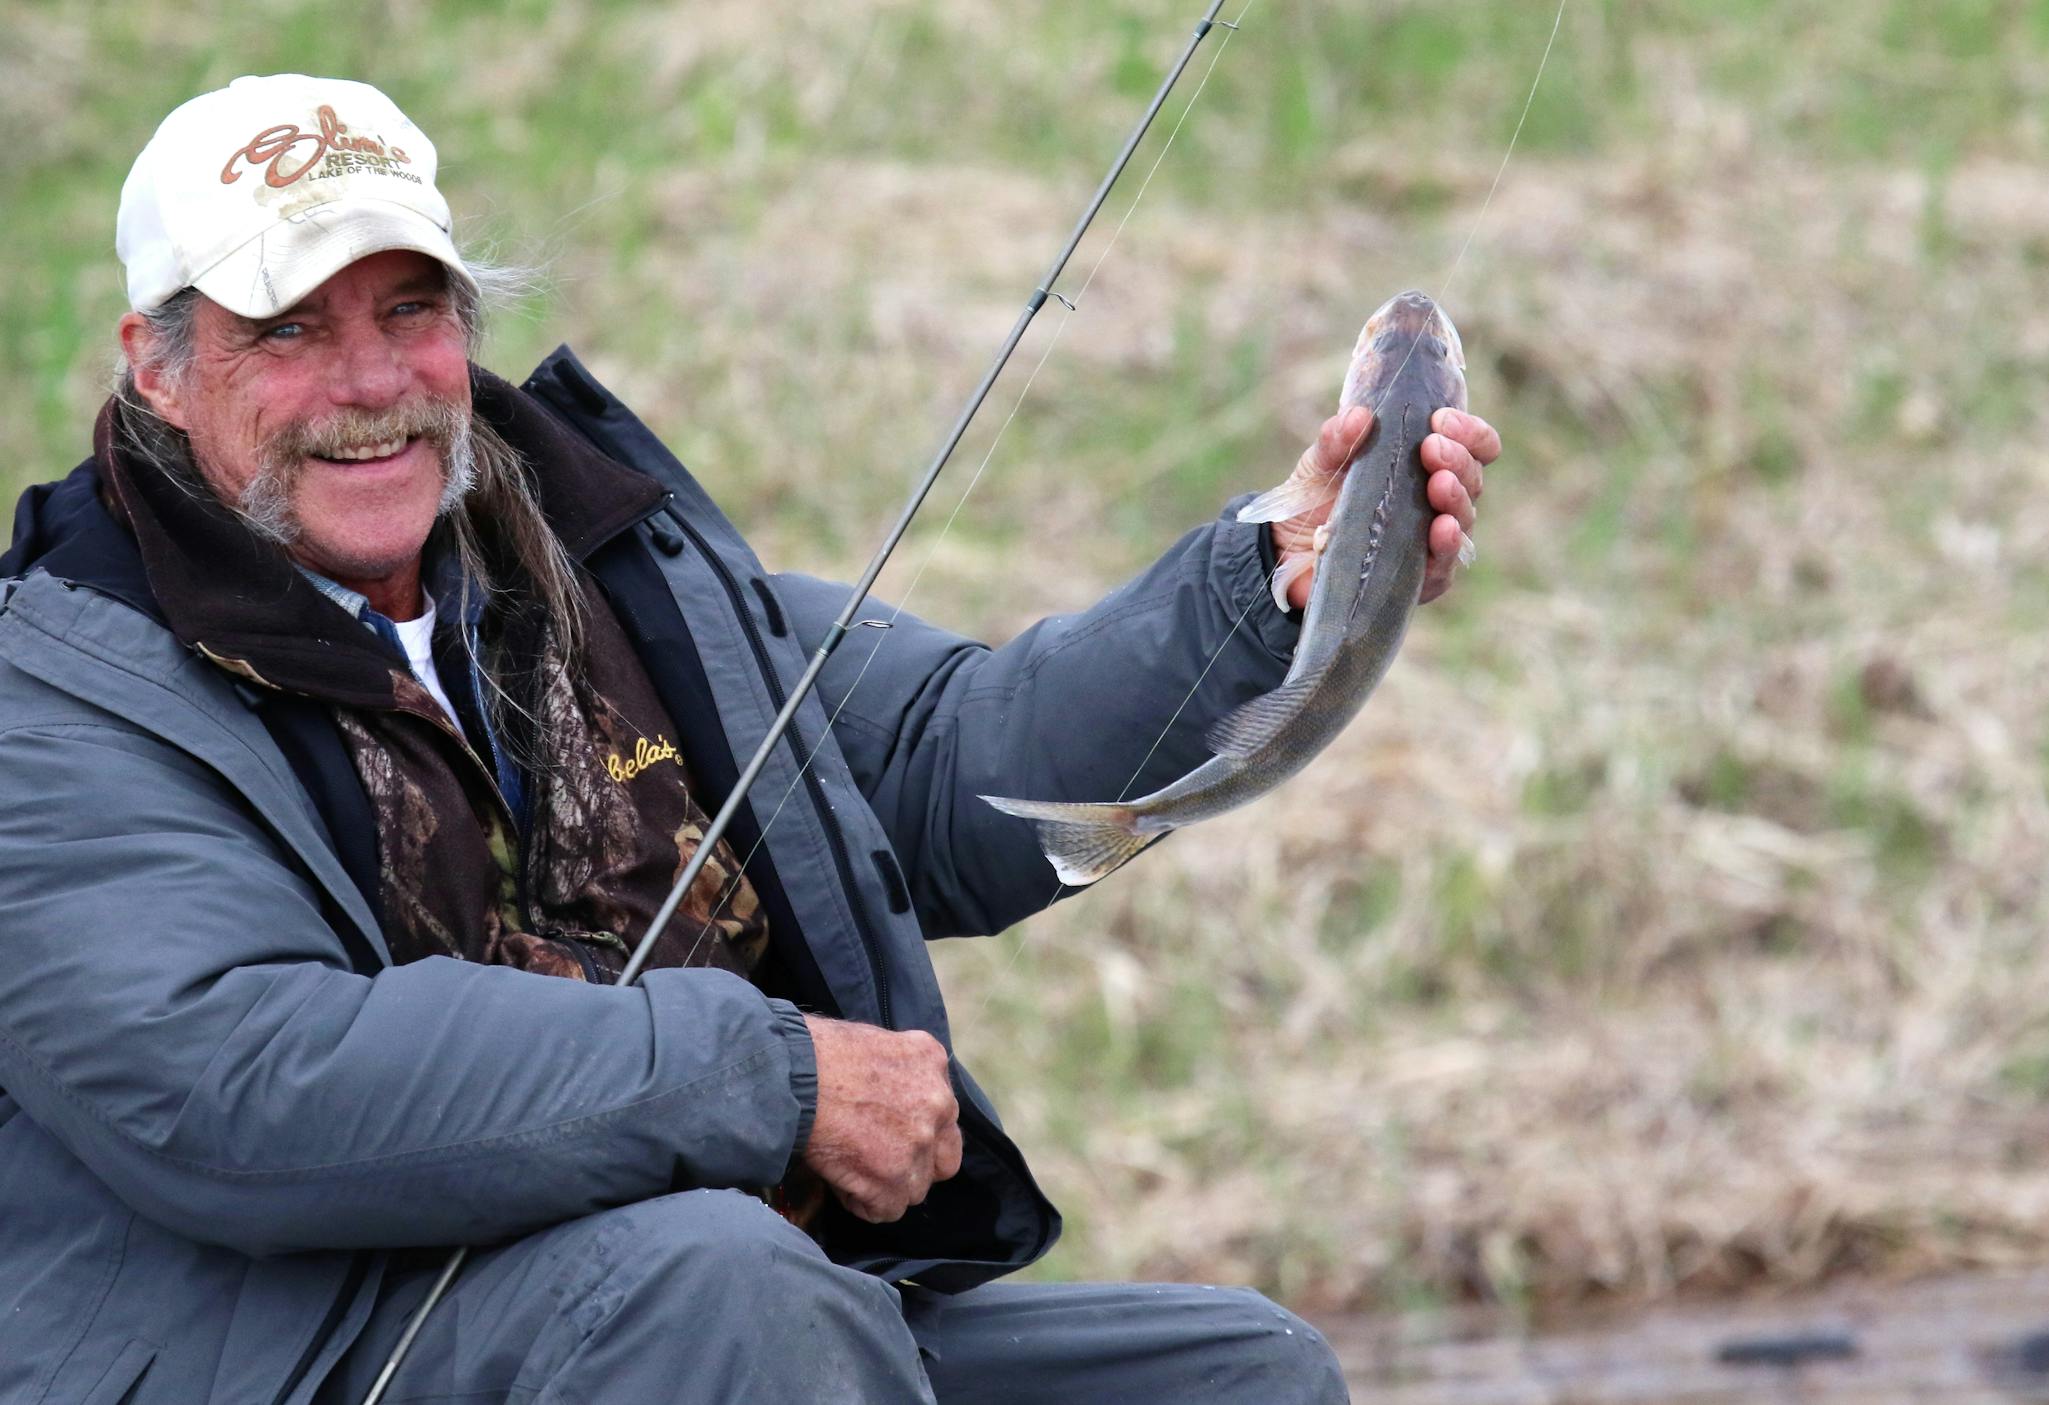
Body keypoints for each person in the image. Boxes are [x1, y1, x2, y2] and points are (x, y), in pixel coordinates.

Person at [0, 74, 1499, 1404]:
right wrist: (773, 1078)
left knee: (1238, 1371)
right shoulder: (59, 700)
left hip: (705, 1312)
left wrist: (1265, 583)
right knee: (726, 1285)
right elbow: (243, 1083)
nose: (374, 384)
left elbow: (953, 758)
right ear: (157, 363)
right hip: (325, 1352)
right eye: (290, 332)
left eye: (412, 310)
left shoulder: (594, 571)